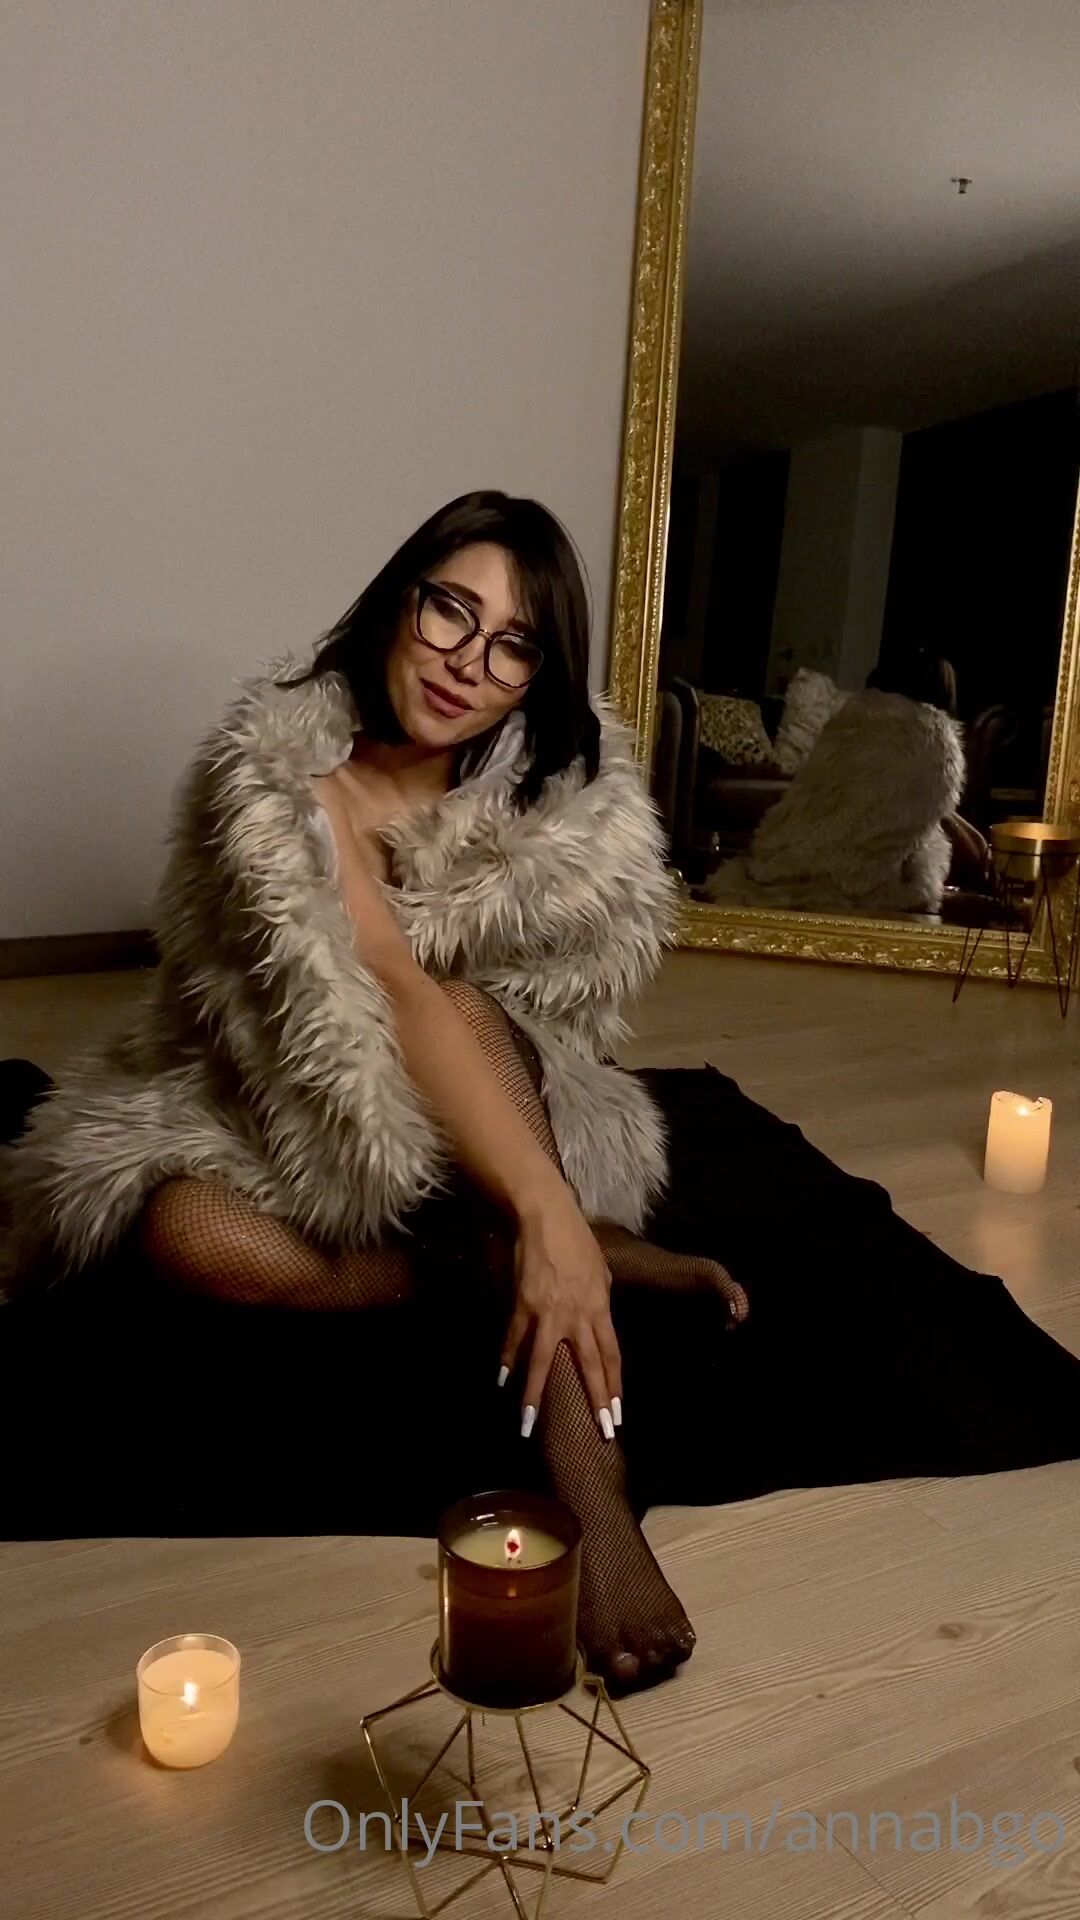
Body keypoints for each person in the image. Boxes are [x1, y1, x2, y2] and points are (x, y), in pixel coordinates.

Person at [3, 492, 1078, 1696]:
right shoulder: (288, 783)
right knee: (186, 1234)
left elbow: (516, 1006)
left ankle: (593, 1484)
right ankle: (524, 1254)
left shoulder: (550, 796)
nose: (469, 661)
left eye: (512, 643)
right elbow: (381, 991)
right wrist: (554, 1227)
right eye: (449, 612)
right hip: (303, 1104)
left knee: (468, 1014)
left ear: (535, 675)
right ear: (398, 605)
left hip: (513, 1099)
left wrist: (546, 1199)